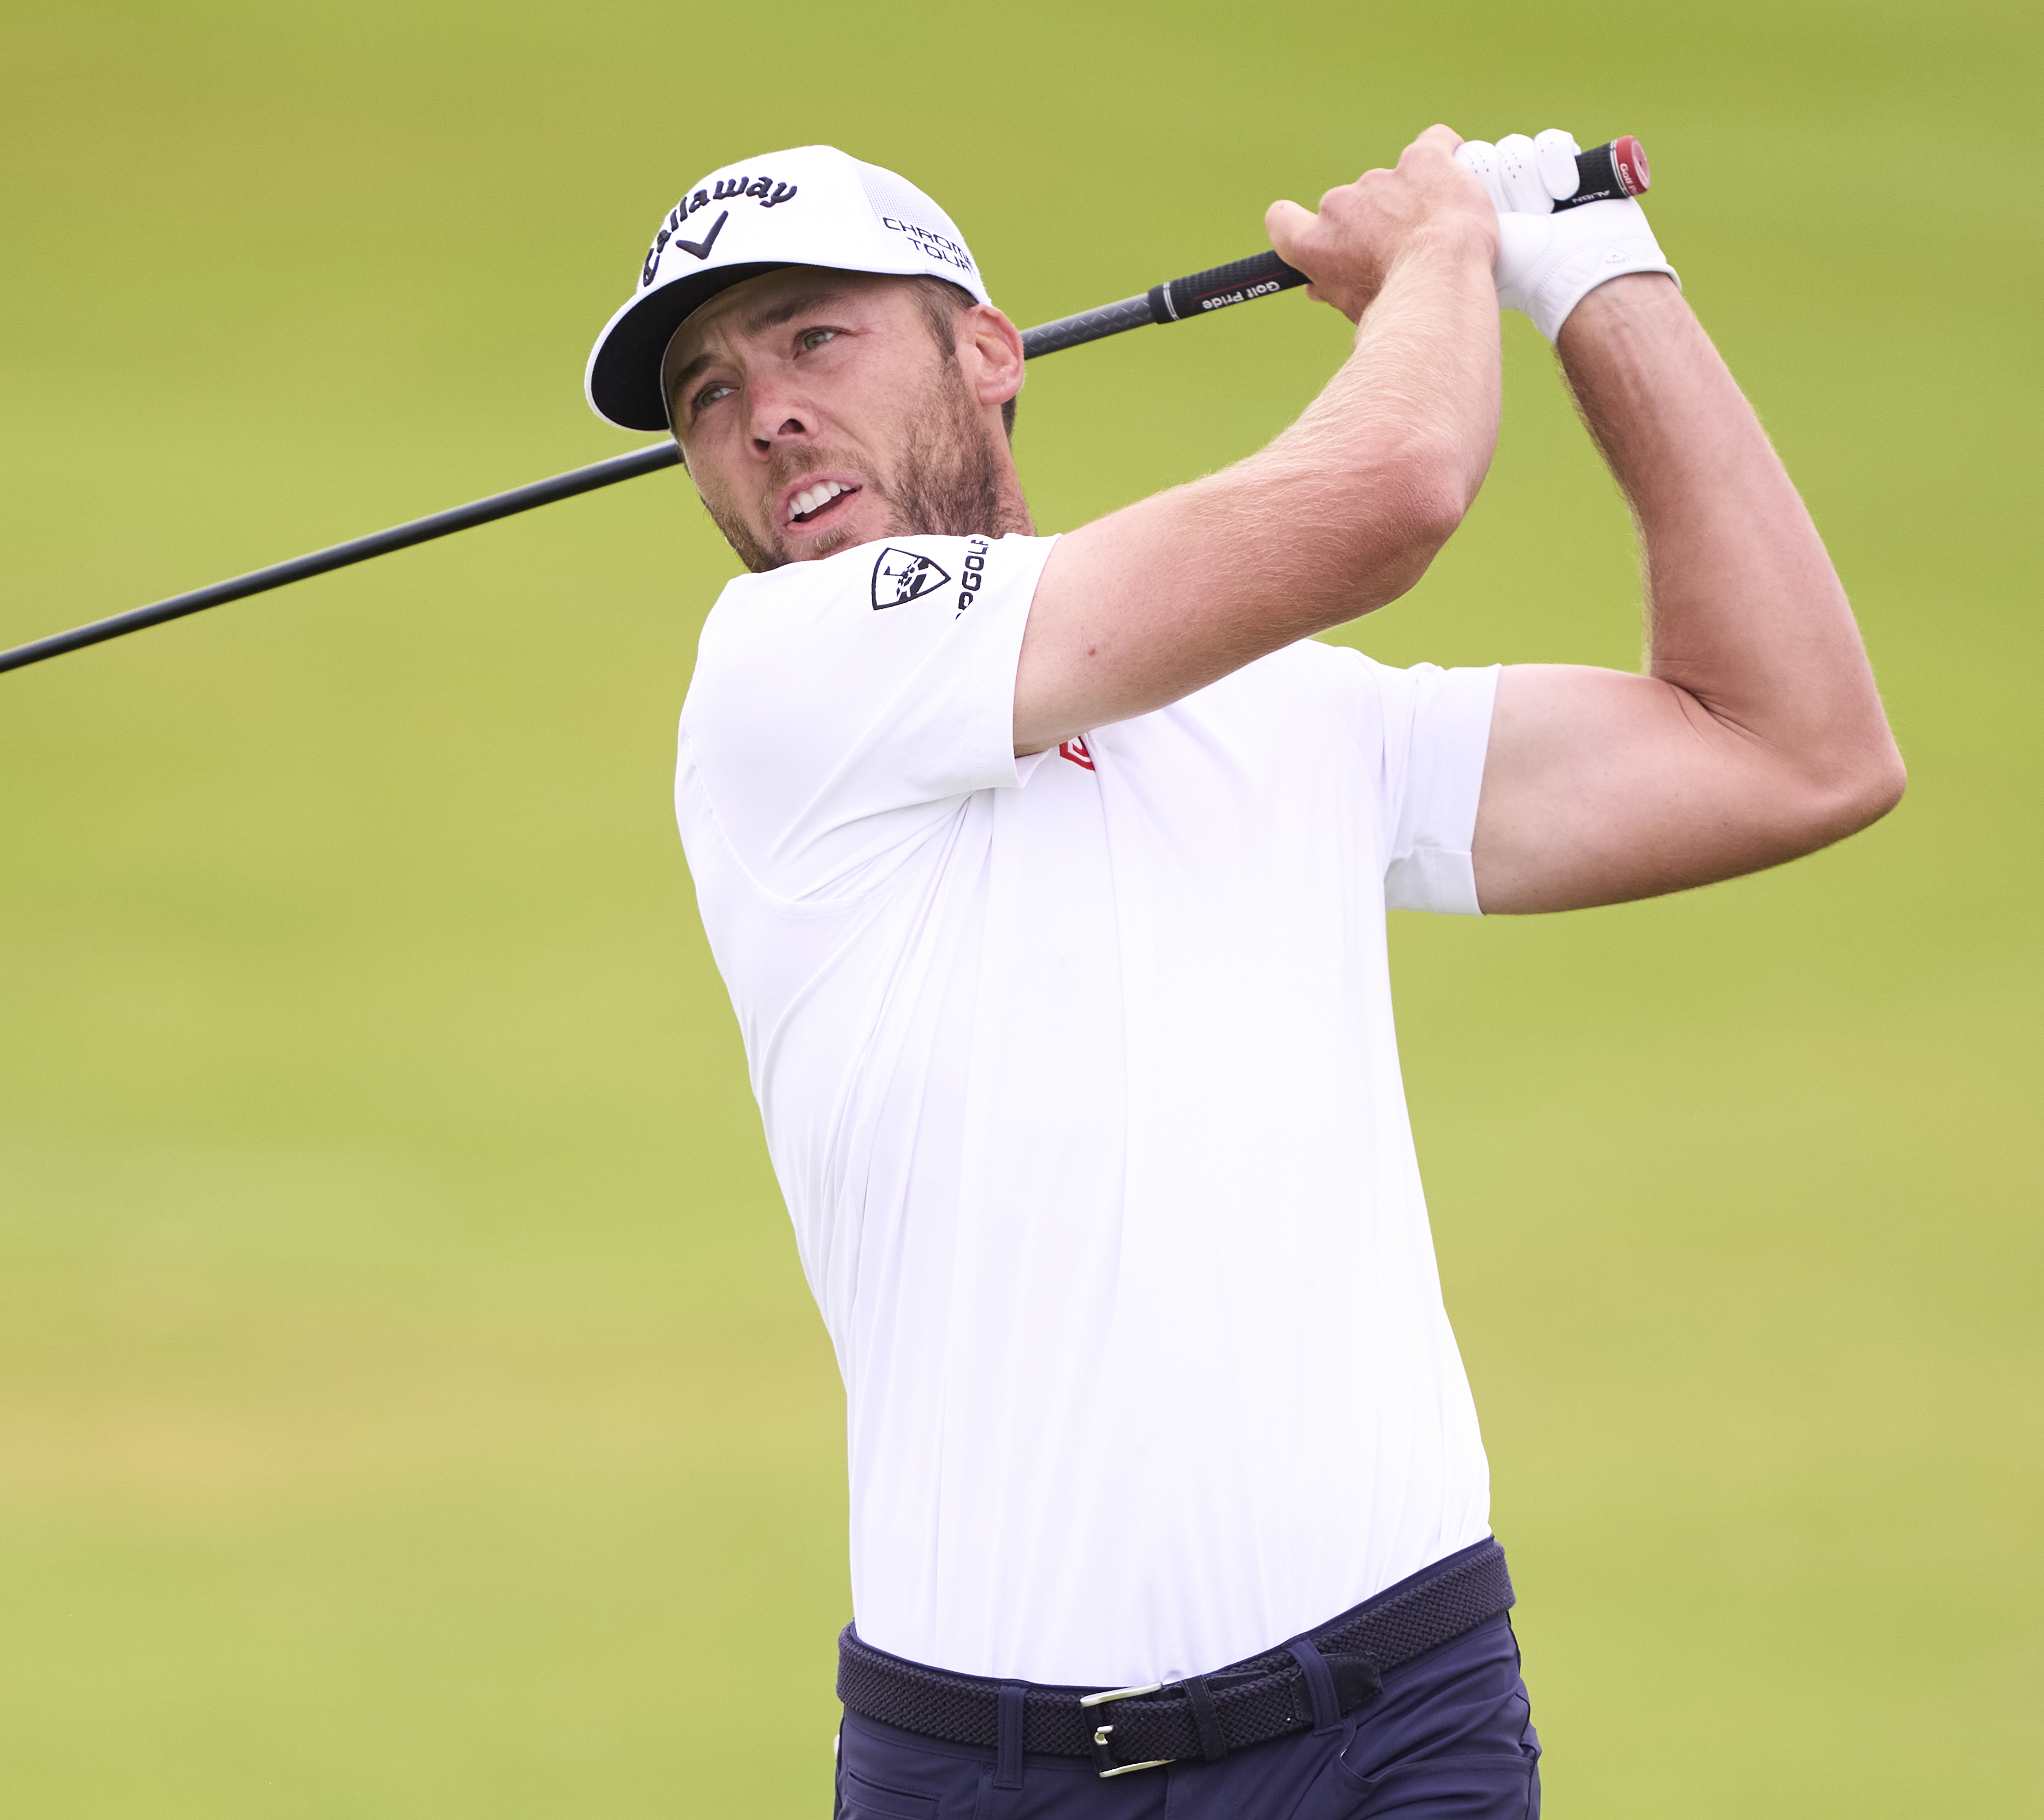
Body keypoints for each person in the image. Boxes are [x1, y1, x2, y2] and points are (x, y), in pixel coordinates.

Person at [583, 129, 1901, 1816]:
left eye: (811, 336)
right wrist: (1439, 256)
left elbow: (1793, 749)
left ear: (988, 352)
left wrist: (1588, 268)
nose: (758, 411)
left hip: (1403, 1715)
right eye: (703, 390)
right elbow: (1391, 493)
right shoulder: (781, 680)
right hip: (1002, 1772)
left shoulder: (1295, 717)